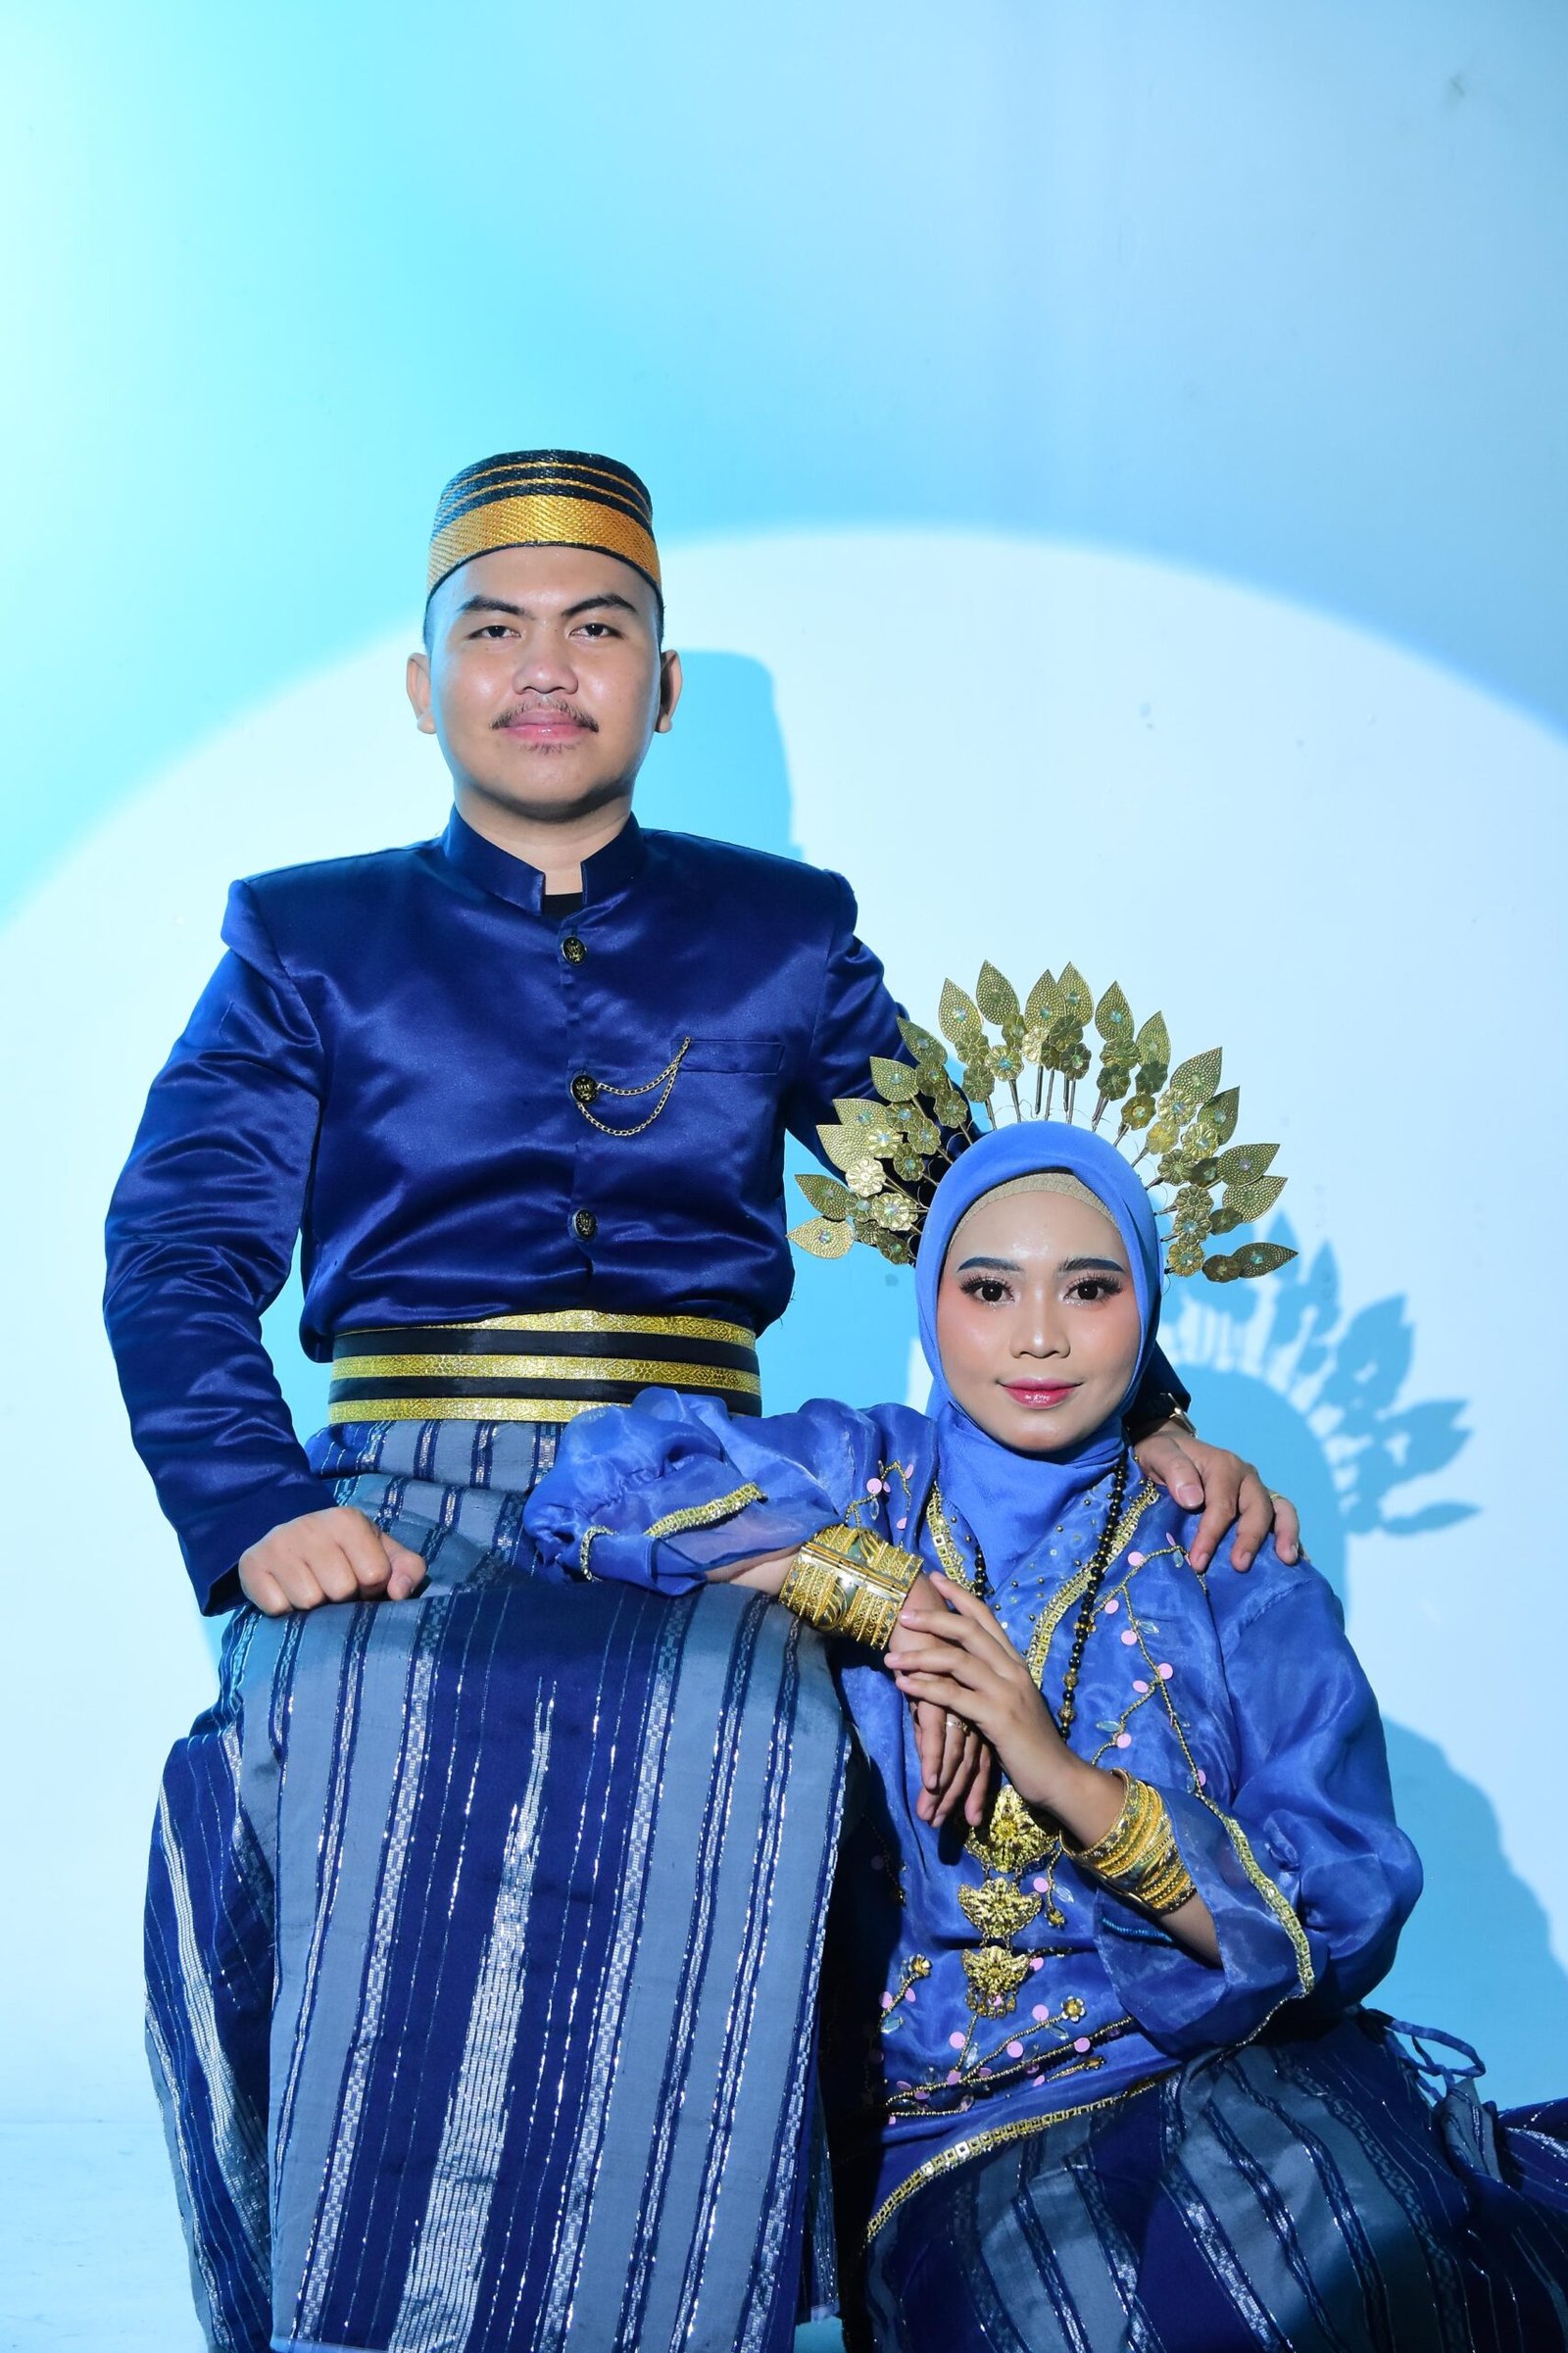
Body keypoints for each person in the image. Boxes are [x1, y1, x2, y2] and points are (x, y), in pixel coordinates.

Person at [107, 454, 1295, 2353]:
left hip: (720, 1502)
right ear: (421, 685)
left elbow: (973, 1201)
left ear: (660, 686)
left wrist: (1140, 1407)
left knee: (750, 1713)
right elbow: (174, 1248)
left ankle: (681, 2310)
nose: (544, 669)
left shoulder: (782, 935)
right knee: (345, 1703)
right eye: (492, 631)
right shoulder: (302, 941)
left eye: (597, 629)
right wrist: (257, 1505)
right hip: (397, 1489)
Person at [524, 969, 1568, 2351]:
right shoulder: (864, 1477)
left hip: (1219, 2079)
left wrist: (1056, 1769)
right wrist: (879, 1593)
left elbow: (1335, 1921)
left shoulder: (1224, 1554)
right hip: (948, 2142)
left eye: (1089, 1287)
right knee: (1073, 2323)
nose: (1036, 1336)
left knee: (1343, 2264)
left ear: (1146, 1311)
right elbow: (595, 1481)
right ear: (930, 1300)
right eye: (988, 1287)